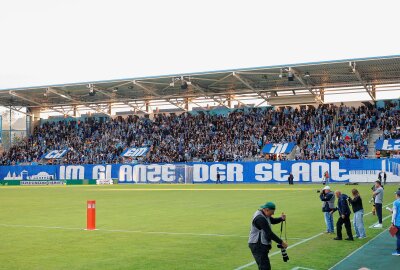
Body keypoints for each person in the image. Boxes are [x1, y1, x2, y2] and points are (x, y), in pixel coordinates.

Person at [248, 202, 288, 270]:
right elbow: (269, 233)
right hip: (257, 245)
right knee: (265, 268)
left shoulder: (265, 215)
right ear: (266, 209)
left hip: (260, 244)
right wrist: (281, 242)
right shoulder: (260, 218)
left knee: (264, 267)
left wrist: (281, 218)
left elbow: (272, 220)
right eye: (272, 212)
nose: (273, 214)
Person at [391, 190, 400, 255]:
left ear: (397, 195)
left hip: (398, 222)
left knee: (399, 237)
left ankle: (398, 252)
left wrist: (392, 221)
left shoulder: (395, 202)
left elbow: (394, 213)